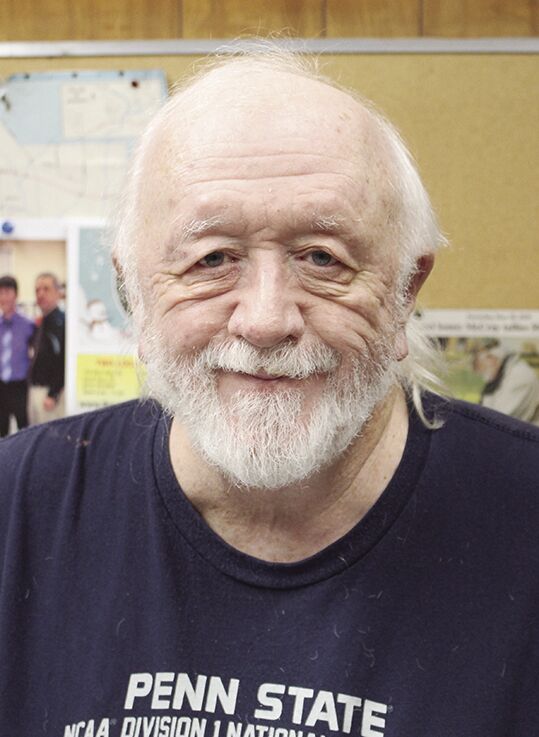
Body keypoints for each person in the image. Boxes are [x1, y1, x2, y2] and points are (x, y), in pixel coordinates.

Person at [0, 48, 538, 737]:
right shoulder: (19, 508)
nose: (264, 320)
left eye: (321, 258)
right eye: (212, 259)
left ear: (406, 290)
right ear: (132, 291)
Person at [28, 271, 66, 424]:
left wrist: (53, 394)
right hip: (35, 392)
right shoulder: (43, 321)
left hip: (49, 397)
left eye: (46, 289)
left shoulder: (61, 323)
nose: (40, 294)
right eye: (37, 290)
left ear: (58, 293)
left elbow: (63, 360)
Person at [0, 275, 35, 436]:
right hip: (1, 384)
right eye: (0, 293)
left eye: (7, 292)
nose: (3, 297)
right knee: (2, 430)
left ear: (16, 294)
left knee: (23, 429)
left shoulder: (28, 324)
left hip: (20, 385)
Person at [473, 340, 539, 425]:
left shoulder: (520, 375)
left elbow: (502, 421)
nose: (483, 375)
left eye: (481, 367)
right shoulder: (502, 375)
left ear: (491, 358)